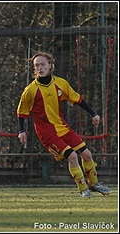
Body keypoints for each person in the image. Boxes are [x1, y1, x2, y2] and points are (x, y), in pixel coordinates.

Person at [17, 51, 112, 197]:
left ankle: (94, 184)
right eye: (37, 65)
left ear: (50, 65)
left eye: (43, 64)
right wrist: (22, 130)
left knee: (87, 154)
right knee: (72, 156)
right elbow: (22, 111)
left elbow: (78, 99)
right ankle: (83, 190)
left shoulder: (61, 83)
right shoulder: (30, 90)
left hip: (62, 127)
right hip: (46, 132)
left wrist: (93, 114)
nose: (40, 68)